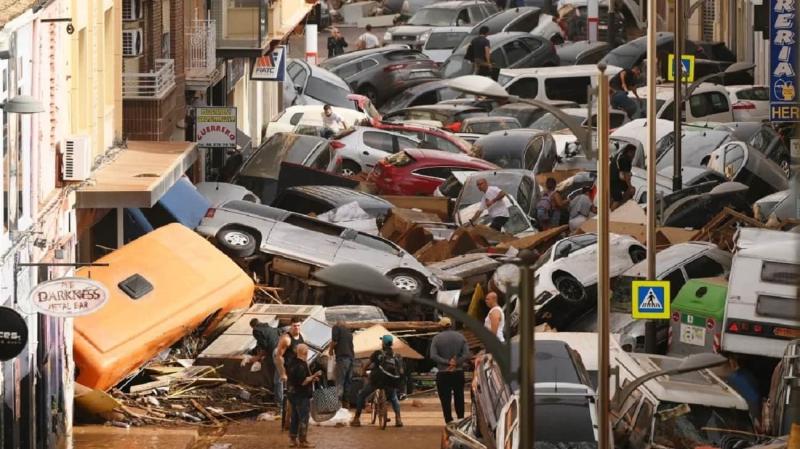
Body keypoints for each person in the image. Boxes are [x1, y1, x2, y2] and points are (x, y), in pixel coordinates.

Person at [350, 335, 404, 428]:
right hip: (390, 382)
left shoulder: (378, 353)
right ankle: (398, 419)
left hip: (376, 380)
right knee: (394, 398)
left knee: (361, 395)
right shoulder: (397, 356)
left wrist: (363, 372)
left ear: (383, 343)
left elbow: (367, 365)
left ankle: (356, 419)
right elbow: (401, 371)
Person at [429, 318, 471, 424]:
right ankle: (461, 419)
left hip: (443, 373)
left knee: (445, 399)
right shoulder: (461, 337)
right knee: (459, 396)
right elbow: (466, 354)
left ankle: (449, 421)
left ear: (441, 327)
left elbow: (433, 355)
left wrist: (447, 362)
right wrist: (456, 363)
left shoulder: (436, 339)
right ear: (451, 325)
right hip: (458, 372)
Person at [286, 343, 321, 448]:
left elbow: (296, 379)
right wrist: (314, 375)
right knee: (303, 418)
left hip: (292, 394)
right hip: (301, 395)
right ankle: (303, 441)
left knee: (295, 417)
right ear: (305, 352)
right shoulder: (302, 365)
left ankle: (293, 440)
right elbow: (303, 381)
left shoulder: (291, 363)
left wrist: (311, 378)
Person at [275, 317, 306, 418]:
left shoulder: (302, 336)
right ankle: (289, 421)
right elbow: (278, 356)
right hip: (290, 371)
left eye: (298, 325)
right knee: (291, 399)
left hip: (300, 371)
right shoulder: (286, 339)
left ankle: (299, 419)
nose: (296, 327)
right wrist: (283, 373)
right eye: (294, 326)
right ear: (291, 326)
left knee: (302, 397)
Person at [248, 319, 282, 399]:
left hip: (274, 353)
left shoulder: (256, 330)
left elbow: (264, 345)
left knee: (277, 379)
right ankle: (280, 398)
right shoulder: (270, 328)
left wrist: (258, 357)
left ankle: (279, 400)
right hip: (282, 350)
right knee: (280, 377)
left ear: (253, 326)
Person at [330, 320, 354, 407]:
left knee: (339, 382)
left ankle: (337, 405)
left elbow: (334, 341)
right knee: (347, 382)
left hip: (342, 359)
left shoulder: (336, 328)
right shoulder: (348, 332)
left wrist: (330, 350)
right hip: (351, 359)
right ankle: (346, 405)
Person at [610, 144, 636, 210]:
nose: (634, 155)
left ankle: (621, 207)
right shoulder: (625, 159)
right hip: (614, 180)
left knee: (629, 191)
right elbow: (626, 175)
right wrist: (630, 187)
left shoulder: (620, 155)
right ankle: (612, 215)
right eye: (633, 153)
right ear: (629, 152)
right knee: (617, 199)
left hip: (614, 179)